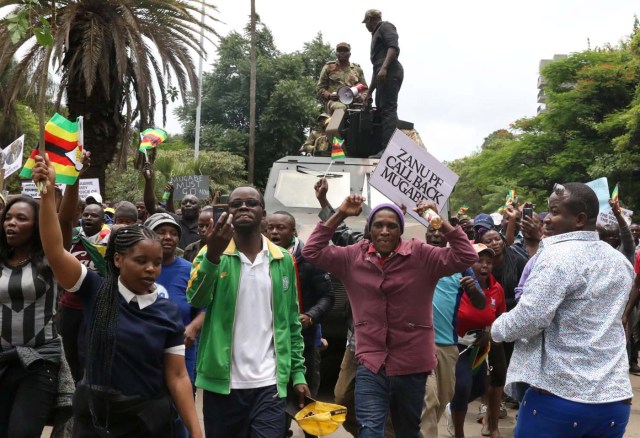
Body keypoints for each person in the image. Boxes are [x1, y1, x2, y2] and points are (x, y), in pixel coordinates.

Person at [34, 154, 202, 437]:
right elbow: (55, 250)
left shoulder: (168, 311)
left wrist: (196, 432)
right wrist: (48, 193)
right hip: (95, 422)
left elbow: (177, 376)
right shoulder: (95, 291)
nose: (151, 269)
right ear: (118, 260)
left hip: (148, 423)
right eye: (141, 261)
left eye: (157, 262)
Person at [302, 194, 477, 438]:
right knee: (370, 430)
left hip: (412, 364)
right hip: (371, 363)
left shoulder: (421, 255)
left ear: (400, 231)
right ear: (370, 230)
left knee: (406, 430)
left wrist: (437, 219)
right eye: (378, 225)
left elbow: (467, 256)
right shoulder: (353, 256)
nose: (385, 231)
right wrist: (340, 212)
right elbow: (311, 251)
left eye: (392, 226)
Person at [492, 182, 633, 438]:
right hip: (614, 400)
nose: (546, 219)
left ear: (579, 219)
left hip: (559, 400)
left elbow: (530, 318)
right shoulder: (619, 261)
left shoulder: (557, 256)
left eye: (554, 212)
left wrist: (496, 327)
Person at [187, 186, 310, 437]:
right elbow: (196, 298)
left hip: (269, 384)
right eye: (236, 204)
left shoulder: (283, 259)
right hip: (222, 385)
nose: (244, 207)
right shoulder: (210, 253)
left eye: (251, 203)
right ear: (228, 212)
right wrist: (212, 254)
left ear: (263, 213)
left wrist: (297, 374)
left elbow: (291, 322)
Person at [266, 211, 334, 437]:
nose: (274, 232)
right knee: (276, 402)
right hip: (272, 341)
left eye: (281, 228)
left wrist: (311, 316)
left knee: (307, 398)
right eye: (271, 228)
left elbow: (328, 296)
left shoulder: (309, 257)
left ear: (293, 231)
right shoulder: (261, 257)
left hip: (305, 340)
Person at [0, 195, 62, 438]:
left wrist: (69, 180)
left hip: (38, 362)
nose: (11, 223)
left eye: (21, 218)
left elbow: (64, 221)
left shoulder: (52, 259)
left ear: (37, 226)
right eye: (8, 218)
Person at [421, 225, 486, 438]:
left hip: (447, 346)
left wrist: (473, 289)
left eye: (441, 231)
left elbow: (481, 303)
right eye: (432, 230)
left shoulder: (458, 265)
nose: (436, 235)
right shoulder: (415, 258)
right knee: (428, 400)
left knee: (443, 397)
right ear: (426, 234)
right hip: (418, 344)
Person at [446, 243, 506, 438]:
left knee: (481, 388)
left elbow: (500, 318)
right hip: (458, 344)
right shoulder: (456, 284)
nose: (484, 266)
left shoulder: (497, 289)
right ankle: (459, 433)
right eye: (479, 261)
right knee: (462, 387)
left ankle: (452, 406)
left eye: (489, 262)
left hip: (481, 347)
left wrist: (489, 333)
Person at [362, 9, 404, 155]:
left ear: (370, 19)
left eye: (366, 22)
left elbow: (393, 47)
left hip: (391, 71)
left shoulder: (386, 27)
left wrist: (385, 67)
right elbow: (376, 69)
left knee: (388, 109)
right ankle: (382, 147)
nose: (366, 26)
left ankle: (389, 149)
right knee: (381, 109)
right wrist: (370, 91)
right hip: (382, 74)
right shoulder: (376, 33)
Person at [142, 163, 201, 249]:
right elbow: (151, 207)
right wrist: (148, 181)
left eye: (192, 202)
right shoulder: (174, 220)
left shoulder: (204, 226)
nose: (188, 205)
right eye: (184, 203)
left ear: (200, 208)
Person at [317, 42, 368, 115]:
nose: (342, 53)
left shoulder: (357, 70)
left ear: (350, 54)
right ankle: (333, 126)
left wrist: (362, 98)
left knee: (366, 113)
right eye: (339, 51)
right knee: (340, 108)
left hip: (354, 103)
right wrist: (329, 95)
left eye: (345, 51)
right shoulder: (329, 67)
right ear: (336, 53)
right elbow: (320, 88)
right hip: (334, 102)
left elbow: (365, 89)